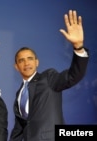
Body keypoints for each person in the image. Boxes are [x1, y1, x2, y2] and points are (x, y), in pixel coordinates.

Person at [9, 10, 89, 141]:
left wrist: (78, 47)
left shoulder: (48, 78)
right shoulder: (20, 92)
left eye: (30, 58)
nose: (26, 63)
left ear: (37, 62)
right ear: (16, 66)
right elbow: (20, 127)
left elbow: (73, 76)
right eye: (21, 60)